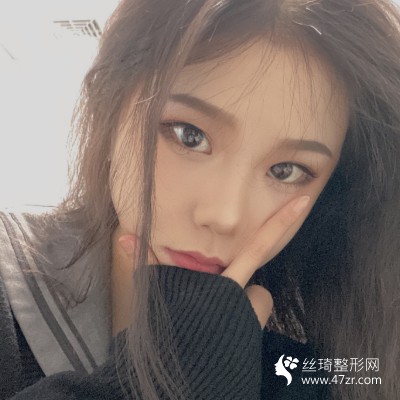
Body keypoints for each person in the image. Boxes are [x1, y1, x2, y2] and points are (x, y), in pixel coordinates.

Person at [1, 0, 399, 399]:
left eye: (286, 171)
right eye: (190, 136)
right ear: (111, 105)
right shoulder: (12, 291)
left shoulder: (324, 365)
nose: (224, 215)